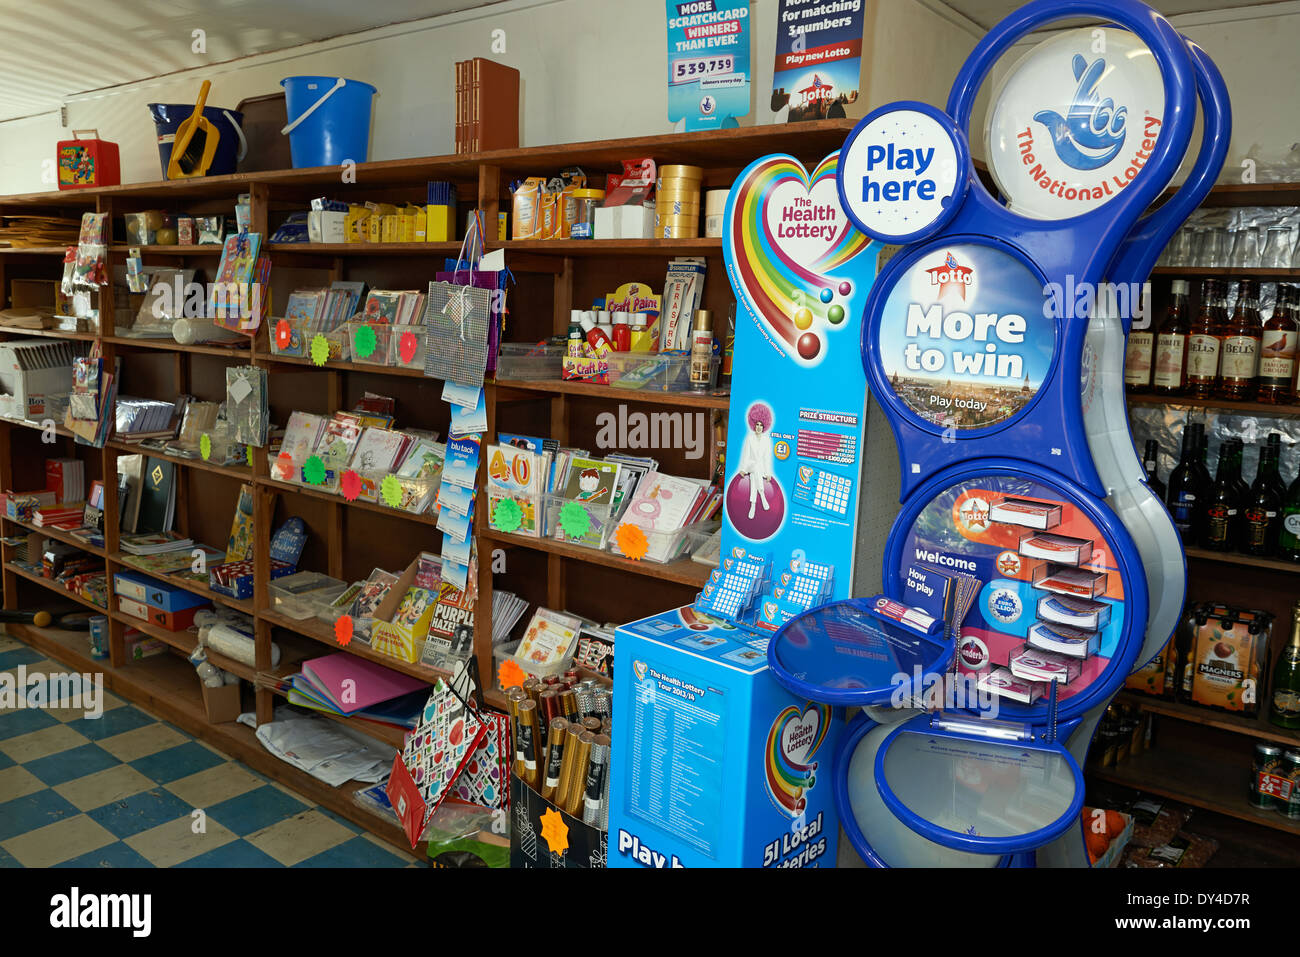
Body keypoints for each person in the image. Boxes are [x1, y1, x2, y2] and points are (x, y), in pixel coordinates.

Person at [738, 402, 775, 520]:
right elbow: (745, 455)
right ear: (754, 424)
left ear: (765, 426)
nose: (759, 427)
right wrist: (743, 469)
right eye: (757, 424)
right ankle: (762, 495)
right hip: (750, 465)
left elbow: (767, 458)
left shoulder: (767, 440)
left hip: (758, 469)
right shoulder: (749, 438)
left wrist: (768, 473)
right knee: (755, 467)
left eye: (761, 425)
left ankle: (752, 505)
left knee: (755, 474)